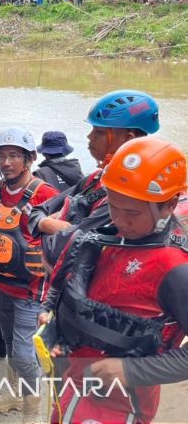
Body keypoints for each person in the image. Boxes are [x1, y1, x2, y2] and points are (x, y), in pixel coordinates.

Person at [45, 137, 188, 424]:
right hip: (76, 382)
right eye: (113, 206)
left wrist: (131, 371)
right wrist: (53, 322)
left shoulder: (175, 270)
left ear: (169, 205)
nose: (120, 220)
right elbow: (78, 293)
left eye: (132, 212)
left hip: (120, 405)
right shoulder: (107, 238)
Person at [0, 128, 59, 422]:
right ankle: (12, 395)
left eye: (13, 156)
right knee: (10, 344)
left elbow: (62, 238)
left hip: (31, 289)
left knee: (24, 355)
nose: (6, 162)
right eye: (1, 156)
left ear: (29, 159)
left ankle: (31, 413)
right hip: (1, 282)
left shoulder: (46, 194)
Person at [28, 90, 160, 267]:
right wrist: (49, 223)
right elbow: (36, 212)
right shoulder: (95, 179)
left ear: (127, 139)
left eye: (99, 132)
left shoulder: (129, 195)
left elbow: (58, 249)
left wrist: (48, 223)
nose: (89, 137)